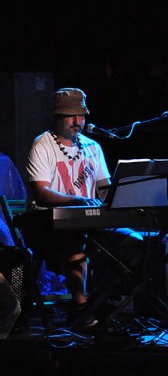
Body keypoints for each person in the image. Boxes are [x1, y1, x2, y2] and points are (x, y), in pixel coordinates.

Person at [25, 87, 144, 329]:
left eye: (81, 115)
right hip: (49, 224)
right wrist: (77, 201)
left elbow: (103, 189)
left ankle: (101, 301)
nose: (77, 121)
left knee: (135, 242)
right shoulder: (42, 145)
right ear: (57, 117)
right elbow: (42, 193)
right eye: (71, 116)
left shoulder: (93, 147)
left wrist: (124, 195)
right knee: (73, 237)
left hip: (90, 221)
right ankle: (81, 308)